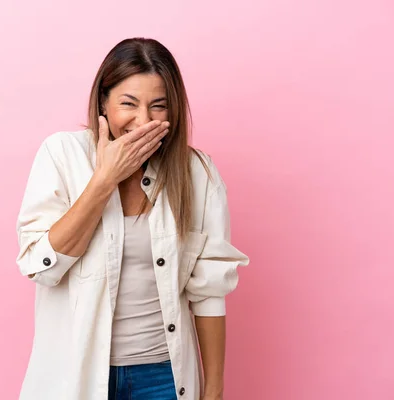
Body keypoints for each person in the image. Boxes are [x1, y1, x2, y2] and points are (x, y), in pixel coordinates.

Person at [15, 37, 250, 400]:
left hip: (163, 377)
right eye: (129, 104)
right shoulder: (61, 155)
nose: (143, 121)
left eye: (158, 106)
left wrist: (214, 390)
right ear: (103, 102)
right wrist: (105, 178)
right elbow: (43, 267)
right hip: (77, 374)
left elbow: (209, 291)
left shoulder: (196, 172)